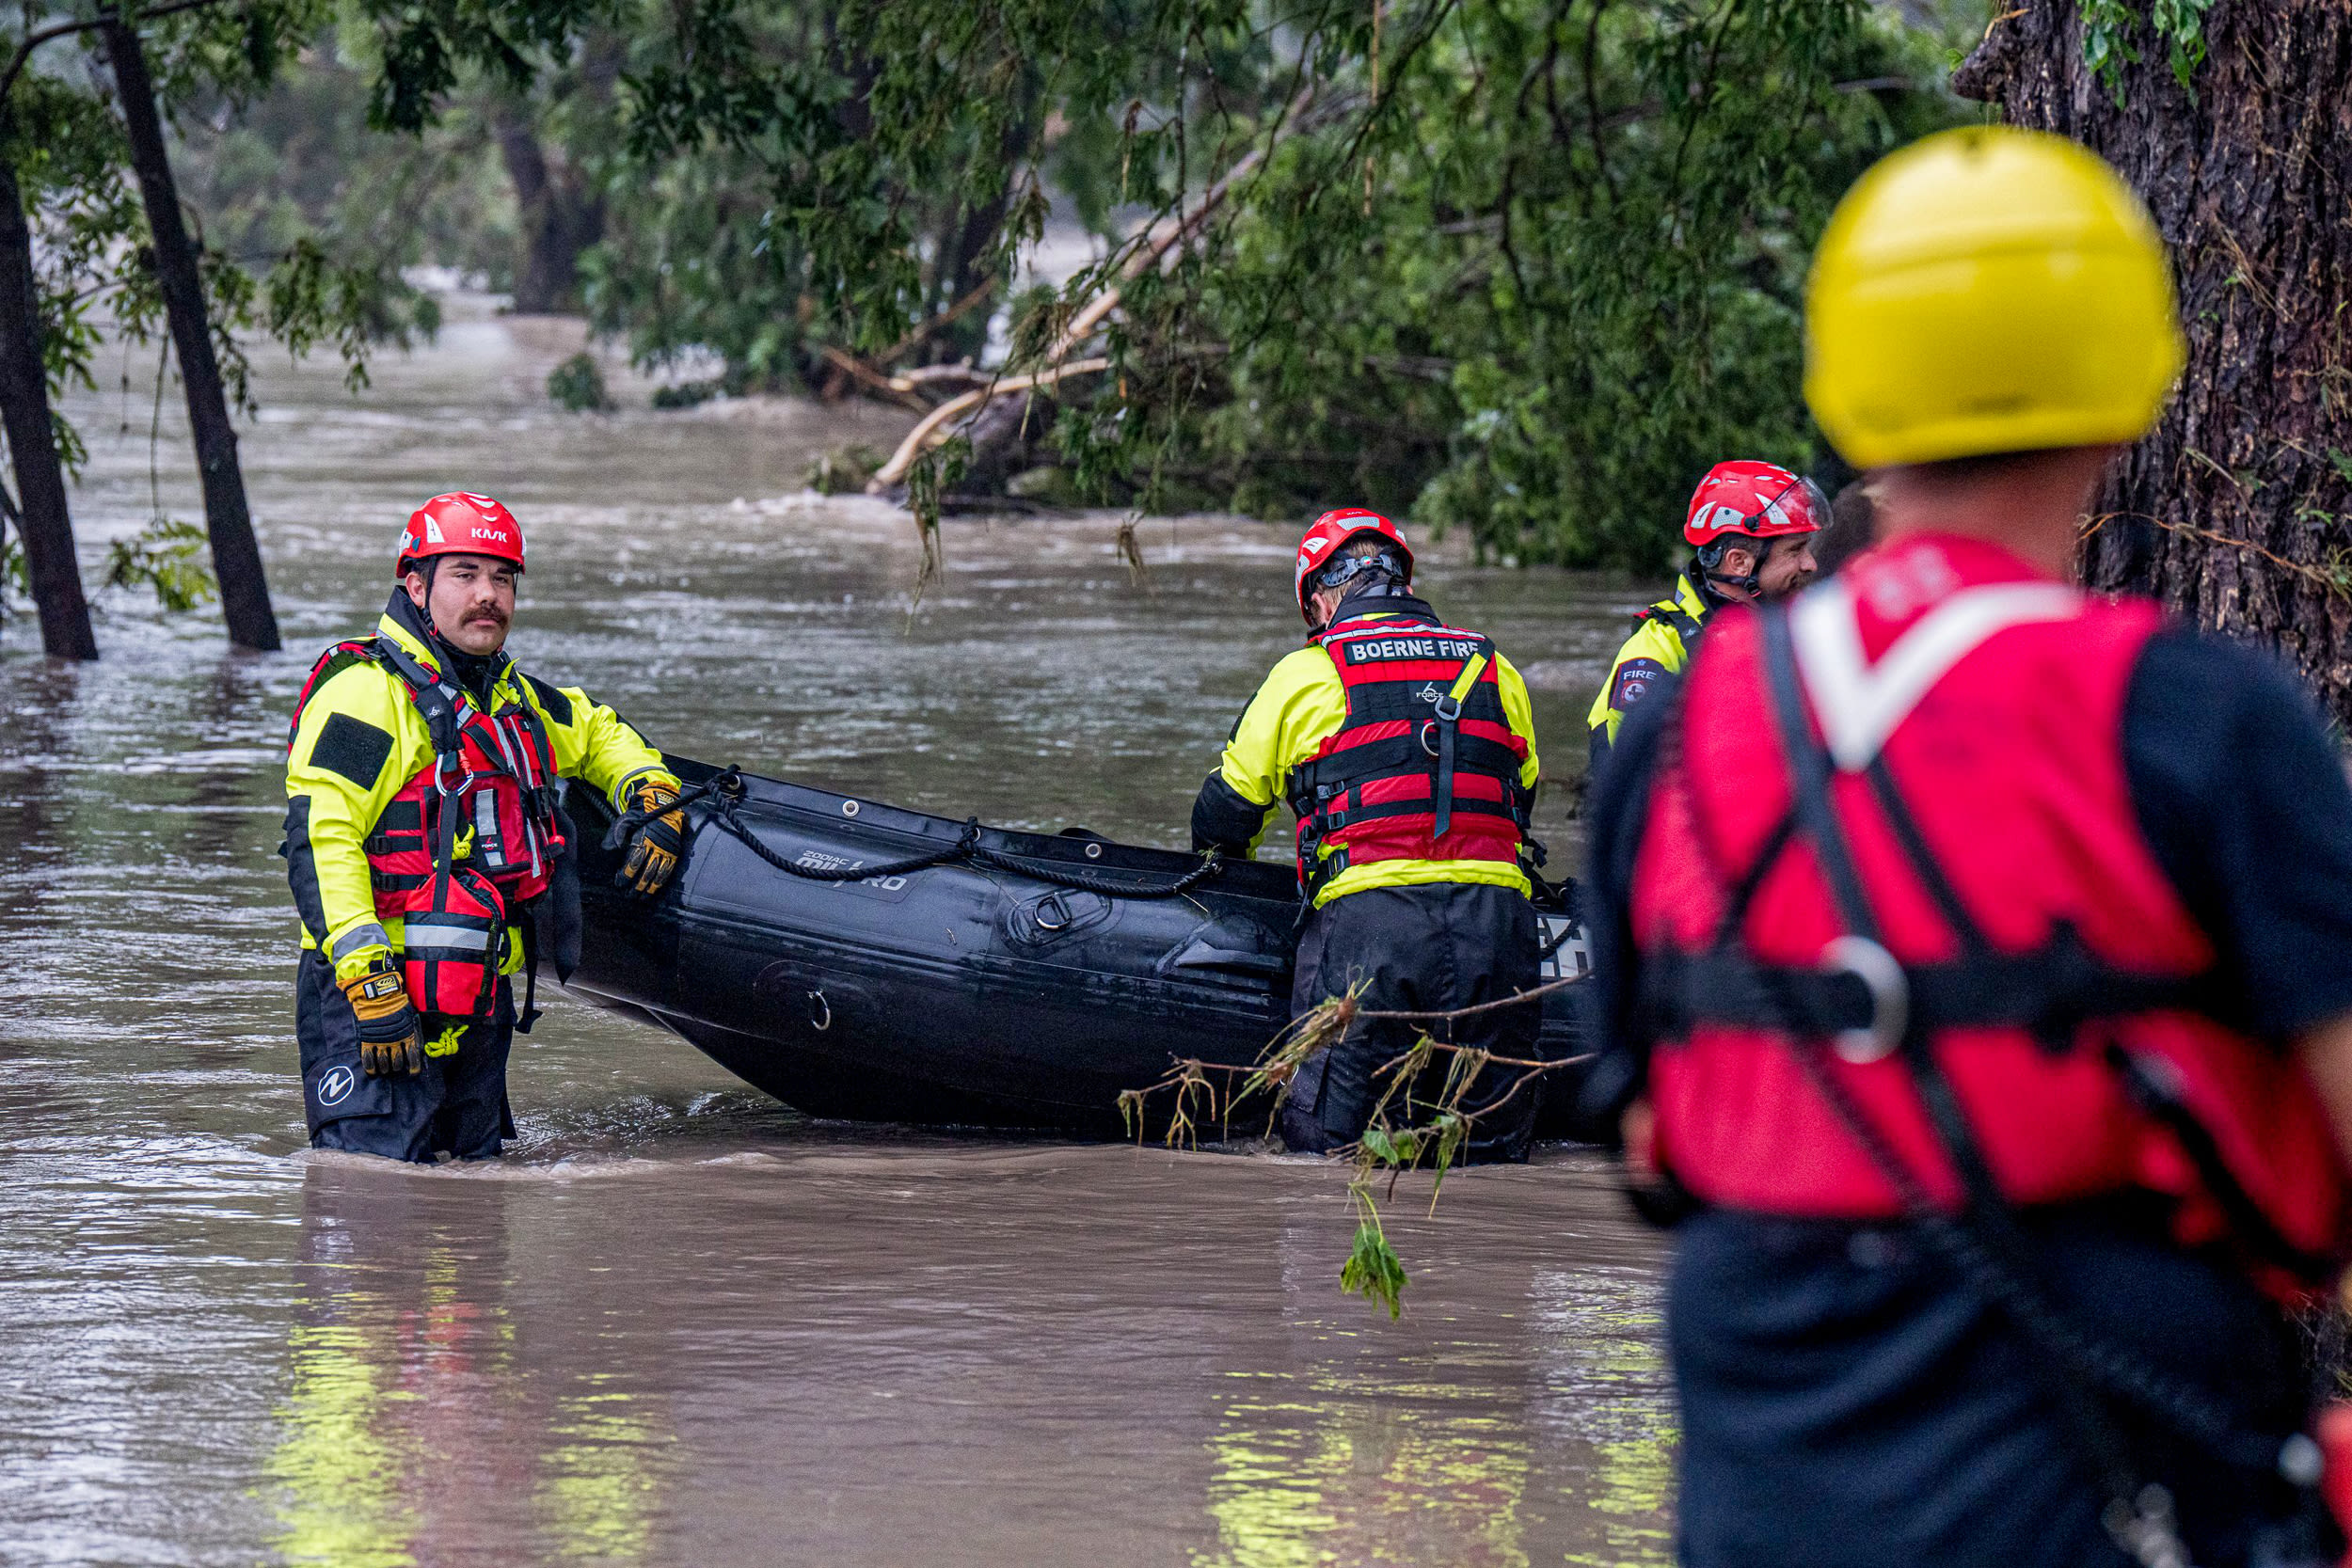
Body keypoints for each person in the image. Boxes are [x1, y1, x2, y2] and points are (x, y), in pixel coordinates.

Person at [1581, 128, 2352, 1566]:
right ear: (2130, 392)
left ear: (1848, 401)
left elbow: (1650, 1136)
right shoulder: (2204, 719)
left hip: (1768, 1504)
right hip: (2125, 1483)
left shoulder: (1675, 734)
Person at [279, 493, 689, 1162]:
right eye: (465, 574)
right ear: (416, 584)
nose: (488, 595)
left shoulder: (511, 700)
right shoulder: (364, 695)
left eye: (502, 578)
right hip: (372, 1002)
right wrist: (367, 979)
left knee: (470, 1230)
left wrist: (653, 794)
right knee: (368, 1212)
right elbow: (319, 842)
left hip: (475, 1002)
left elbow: (598, 732)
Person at [1191, 509, 1547, 1161]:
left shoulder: (1308, 673)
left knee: (1332, 1156)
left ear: (1322, 598)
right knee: (1492, 1152)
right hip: (1498, 933)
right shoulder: (1497, 668)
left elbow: (1224, 814)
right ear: (1404, 584)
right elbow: (1520, 794)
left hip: (1372, 936)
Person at [1585, 461, 1824, 769]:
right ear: (1739, 562)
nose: (1810, 564)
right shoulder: (1659, 652)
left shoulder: (1805, 631)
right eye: (1795, 550)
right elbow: (1629, 783)